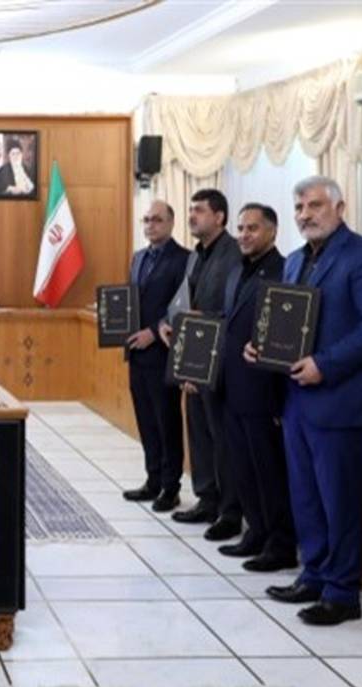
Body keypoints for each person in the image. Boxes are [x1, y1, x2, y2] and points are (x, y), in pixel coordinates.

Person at [258, 177, 362, 625]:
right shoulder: (296, 260)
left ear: (340, 207)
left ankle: (342, 592)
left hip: (341, 401)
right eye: (299, 207)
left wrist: (326, 364)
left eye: (315, 205)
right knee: (306, 498)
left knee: (340, 502)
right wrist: (263, 346)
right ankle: (313, 575)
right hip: (296, 400)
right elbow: (287, 321)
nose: (305, 215)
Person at [216, 204, 296, 572]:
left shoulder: (285, 272)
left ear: (272, 231)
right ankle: (256, 532)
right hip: (232, 386)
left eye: (253, 228)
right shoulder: (236, 271)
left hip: (264, 390)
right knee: (243, 468)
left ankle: (280, 544)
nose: (244, 235)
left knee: (269, 471)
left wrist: (279, 398)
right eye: (241, 228)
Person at [160, 188, 243, 541]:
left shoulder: (235, 254)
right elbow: (184, 300)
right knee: (198, 432)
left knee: (222, 438)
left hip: (220, 361)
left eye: (199, 210)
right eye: (190, 209)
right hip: (192, 356)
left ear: (219, 217)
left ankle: (230, 511)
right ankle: (207, 499)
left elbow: (233, 310)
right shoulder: (196, 255)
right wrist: (167, 321)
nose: (192, 215)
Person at [122, 201, 188, 512]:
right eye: (146, 220)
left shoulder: (184, 259)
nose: (150, 225)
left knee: (167, 422)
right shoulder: (138, 257)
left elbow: (181, 306)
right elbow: (130, 302)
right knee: (146, 421)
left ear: (171, 223)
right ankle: (153, 479)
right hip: (137, 354)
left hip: (163, 351)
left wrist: (152, 330)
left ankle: (170, 487)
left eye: (157, 220)